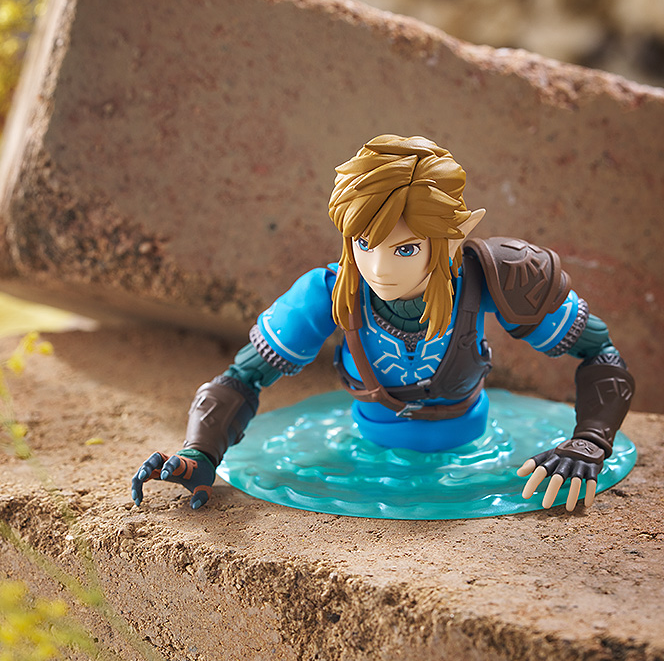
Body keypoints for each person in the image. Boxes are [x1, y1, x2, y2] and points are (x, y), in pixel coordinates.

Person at [131, 135, 634, 512]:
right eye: (364, 243)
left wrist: (589, 440)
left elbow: (601, 353)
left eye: (406, 248)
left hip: (477, 459)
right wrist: (201, 452)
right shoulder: (329, 292)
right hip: (364, 462)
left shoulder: (495, 276)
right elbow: (243, 376)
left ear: (450, 240)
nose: (378, 268)